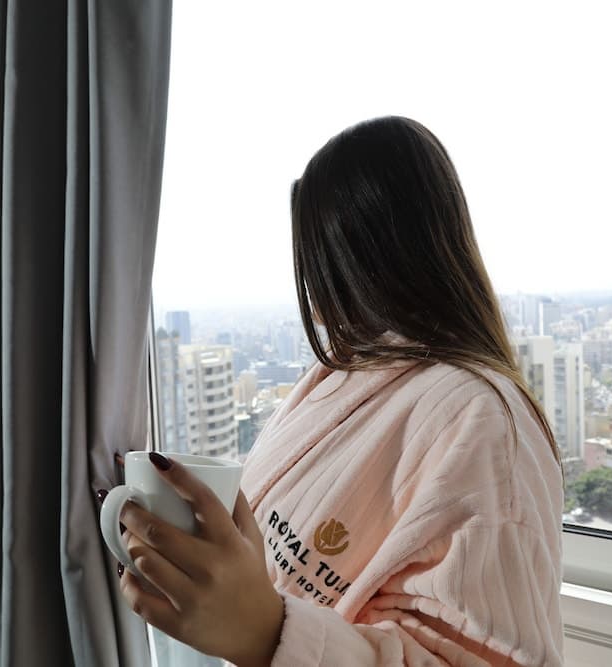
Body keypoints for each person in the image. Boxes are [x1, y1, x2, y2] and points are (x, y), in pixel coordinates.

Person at [107, 116, 563, 665]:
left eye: (315, 258)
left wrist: (264, 633)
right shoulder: (339, 375)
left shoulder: (482, 423)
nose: (308, 282)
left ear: (359, 257)